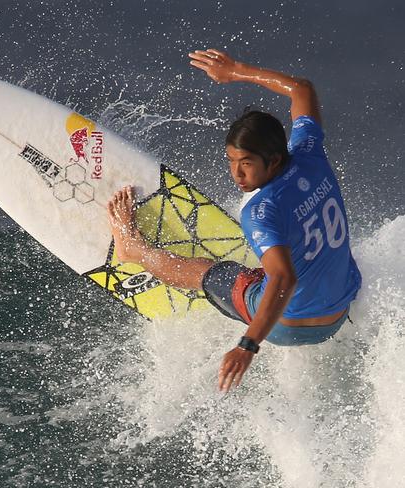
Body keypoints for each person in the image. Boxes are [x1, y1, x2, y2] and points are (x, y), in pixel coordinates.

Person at [107, 49, 362, 393]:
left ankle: (132, 249)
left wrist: (248, 345)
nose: (236, 174)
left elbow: (284, 277)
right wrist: (237, 71)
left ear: (272, 160)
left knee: (213, 273)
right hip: (338, 310)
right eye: (230, 161)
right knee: (286, 264)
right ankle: (270, 286)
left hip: (288, 325)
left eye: (246, 163)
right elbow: (302, 88)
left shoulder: (260, 211)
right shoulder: (309, 150)